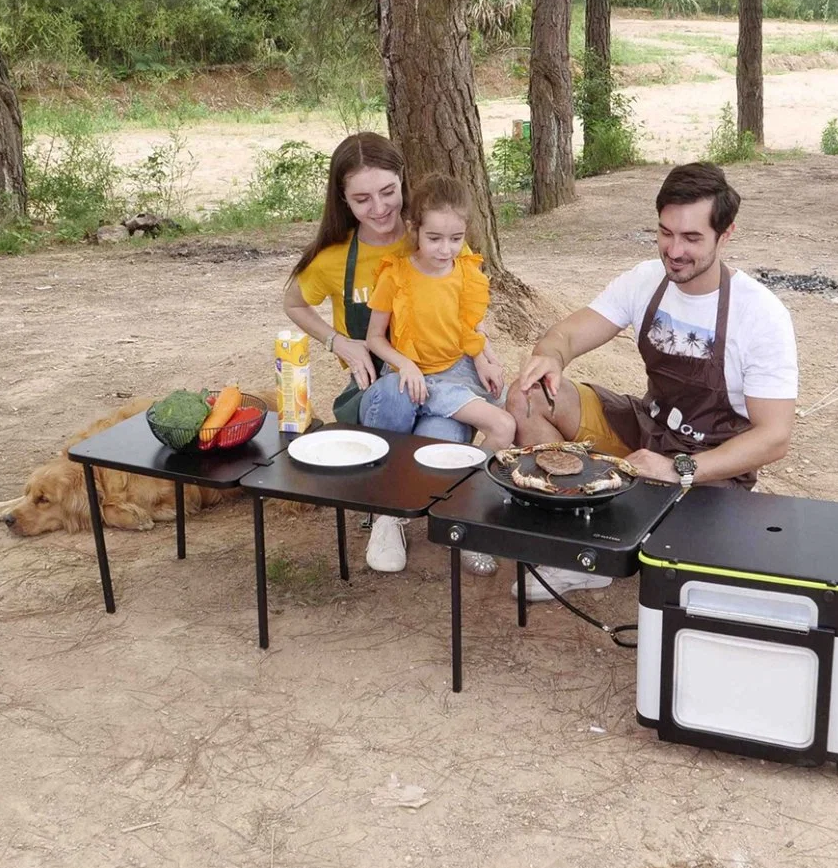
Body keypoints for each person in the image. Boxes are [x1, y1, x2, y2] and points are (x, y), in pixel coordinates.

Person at [508, 161, 798, 601]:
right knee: (529, 397)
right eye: (666, 232)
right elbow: (566, 334)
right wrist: (549, 356)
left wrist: (679, 469)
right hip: (648, 429)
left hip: (709, 462)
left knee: (682, 571)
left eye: (692, 238)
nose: (674, 250)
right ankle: (582, 555)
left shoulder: (759, 314)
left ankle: (647, 524)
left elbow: (775, 437)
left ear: (726, 234)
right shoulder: (646, 280)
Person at [284, 132, 497, 575]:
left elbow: (467, 310)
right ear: (343, 200)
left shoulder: (435, 234)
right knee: (398, 396)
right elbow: (293, 303)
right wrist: (338, 341)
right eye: (362, 199)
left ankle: (458, 518)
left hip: (442, 377)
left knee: (442, 435)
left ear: (404, 181)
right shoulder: (333, 257)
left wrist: (484, 355)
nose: (379, 208)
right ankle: (387, 514)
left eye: (387, 192)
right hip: (382, 392)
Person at [363, 173, 515, 524]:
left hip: (457, 372)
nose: (445, 249)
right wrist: (406, 365)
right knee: (502, 426)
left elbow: (466, 326)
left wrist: (482, 356)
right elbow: (375, 338)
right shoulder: (396, 275)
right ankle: (475, 500)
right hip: (417, 378)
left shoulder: (464, 272)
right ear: (413, 228)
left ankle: (468, 498)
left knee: (514, 414)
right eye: (434, 238)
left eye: (455, 239)